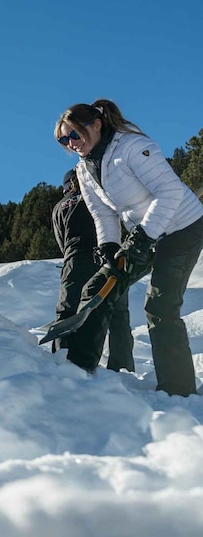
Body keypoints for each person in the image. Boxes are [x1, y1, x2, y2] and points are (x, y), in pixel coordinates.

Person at [55, 99, 203, 396]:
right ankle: (77, 373)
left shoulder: (131, 147)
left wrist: (144, 236)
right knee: (99, 287)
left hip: (181, 228)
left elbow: (171, 190)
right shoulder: (84, 170)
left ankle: (179, 392)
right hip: (145, 233)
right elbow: (103, 213)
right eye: (63, 139)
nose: (71, 144)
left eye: (74, 134)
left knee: (160, 305)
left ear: (95, 125)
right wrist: (109, 246)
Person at [51, 169, 134, 372]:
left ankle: (63, 364)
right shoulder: (102, 194)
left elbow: (61, 240)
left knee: (68, 312)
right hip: (112, 258)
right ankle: (123, 368)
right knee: (118, 315)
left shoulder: (60, 207)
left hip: (77, 259)